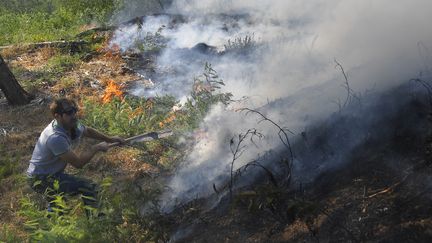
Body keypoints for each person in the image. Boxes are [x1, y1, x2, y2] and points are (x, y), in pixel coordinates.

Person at [26, 98, 125, 216]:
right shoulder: (55, 138)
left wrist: (109, 139)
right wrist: (96, 148)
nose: (73, 115)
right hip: (41, 179)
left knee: (58, 206)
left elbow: (87, 131)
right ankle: (96, 221)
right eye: (68, 113)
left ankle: (50, 229)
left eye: (74, 110)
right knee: (88, 187)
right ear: (57, 116)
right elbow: (78, 164)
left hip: (49, 174)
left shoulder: (69, 124)